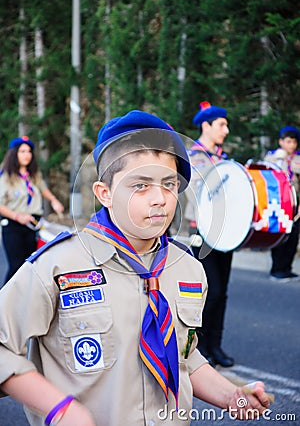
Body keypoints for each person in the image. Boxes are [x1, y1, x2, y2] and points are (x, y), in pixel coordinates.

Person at [0, 111, 270, 426]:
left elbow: (184, 356)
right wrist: (62, 409)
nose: (160, 199)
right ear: (105, 194)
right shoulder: (57, 267)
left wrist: (230, 395)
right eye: (140, 185)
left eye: (169, 184)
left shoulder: (189, 270)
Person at [184, 101, 234, 368]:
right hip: (200, 232)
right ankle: (200, 349)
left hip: (227, 232)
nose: (225, 130)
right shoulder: (194, 158)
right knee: (209, 290)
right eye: (221, 124)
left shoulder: (224, 160)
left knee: (223, 291)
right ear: (206, 125)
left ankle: (216, 346)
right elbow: (199, 190)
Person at [0, 135, 64, 284]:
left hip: (32, 224)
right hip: (13, 225)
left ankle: (25, 302)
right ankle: (5, 300)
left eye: (29, 151)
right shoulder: (5, 176)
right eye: (22, 151)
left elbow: (42, 189)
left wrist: (53, 200)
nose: (26, 155)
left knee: (29, 265)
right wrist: (17, 216)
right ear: (14, 154)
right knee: (16, 266)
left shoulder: (33, 175)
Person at [264, 125, 300, 282]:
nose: (291, 145)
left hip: (295, 205)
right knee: (280, 237)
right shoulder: (272, 157)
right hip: (278, 204)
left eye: (294, 142)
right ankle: (276, 269)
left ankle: (287, 268)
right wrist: (282, 158)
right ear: (281, 141)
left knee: (293, 238)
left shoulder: (297, 159)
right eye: (288, 141)